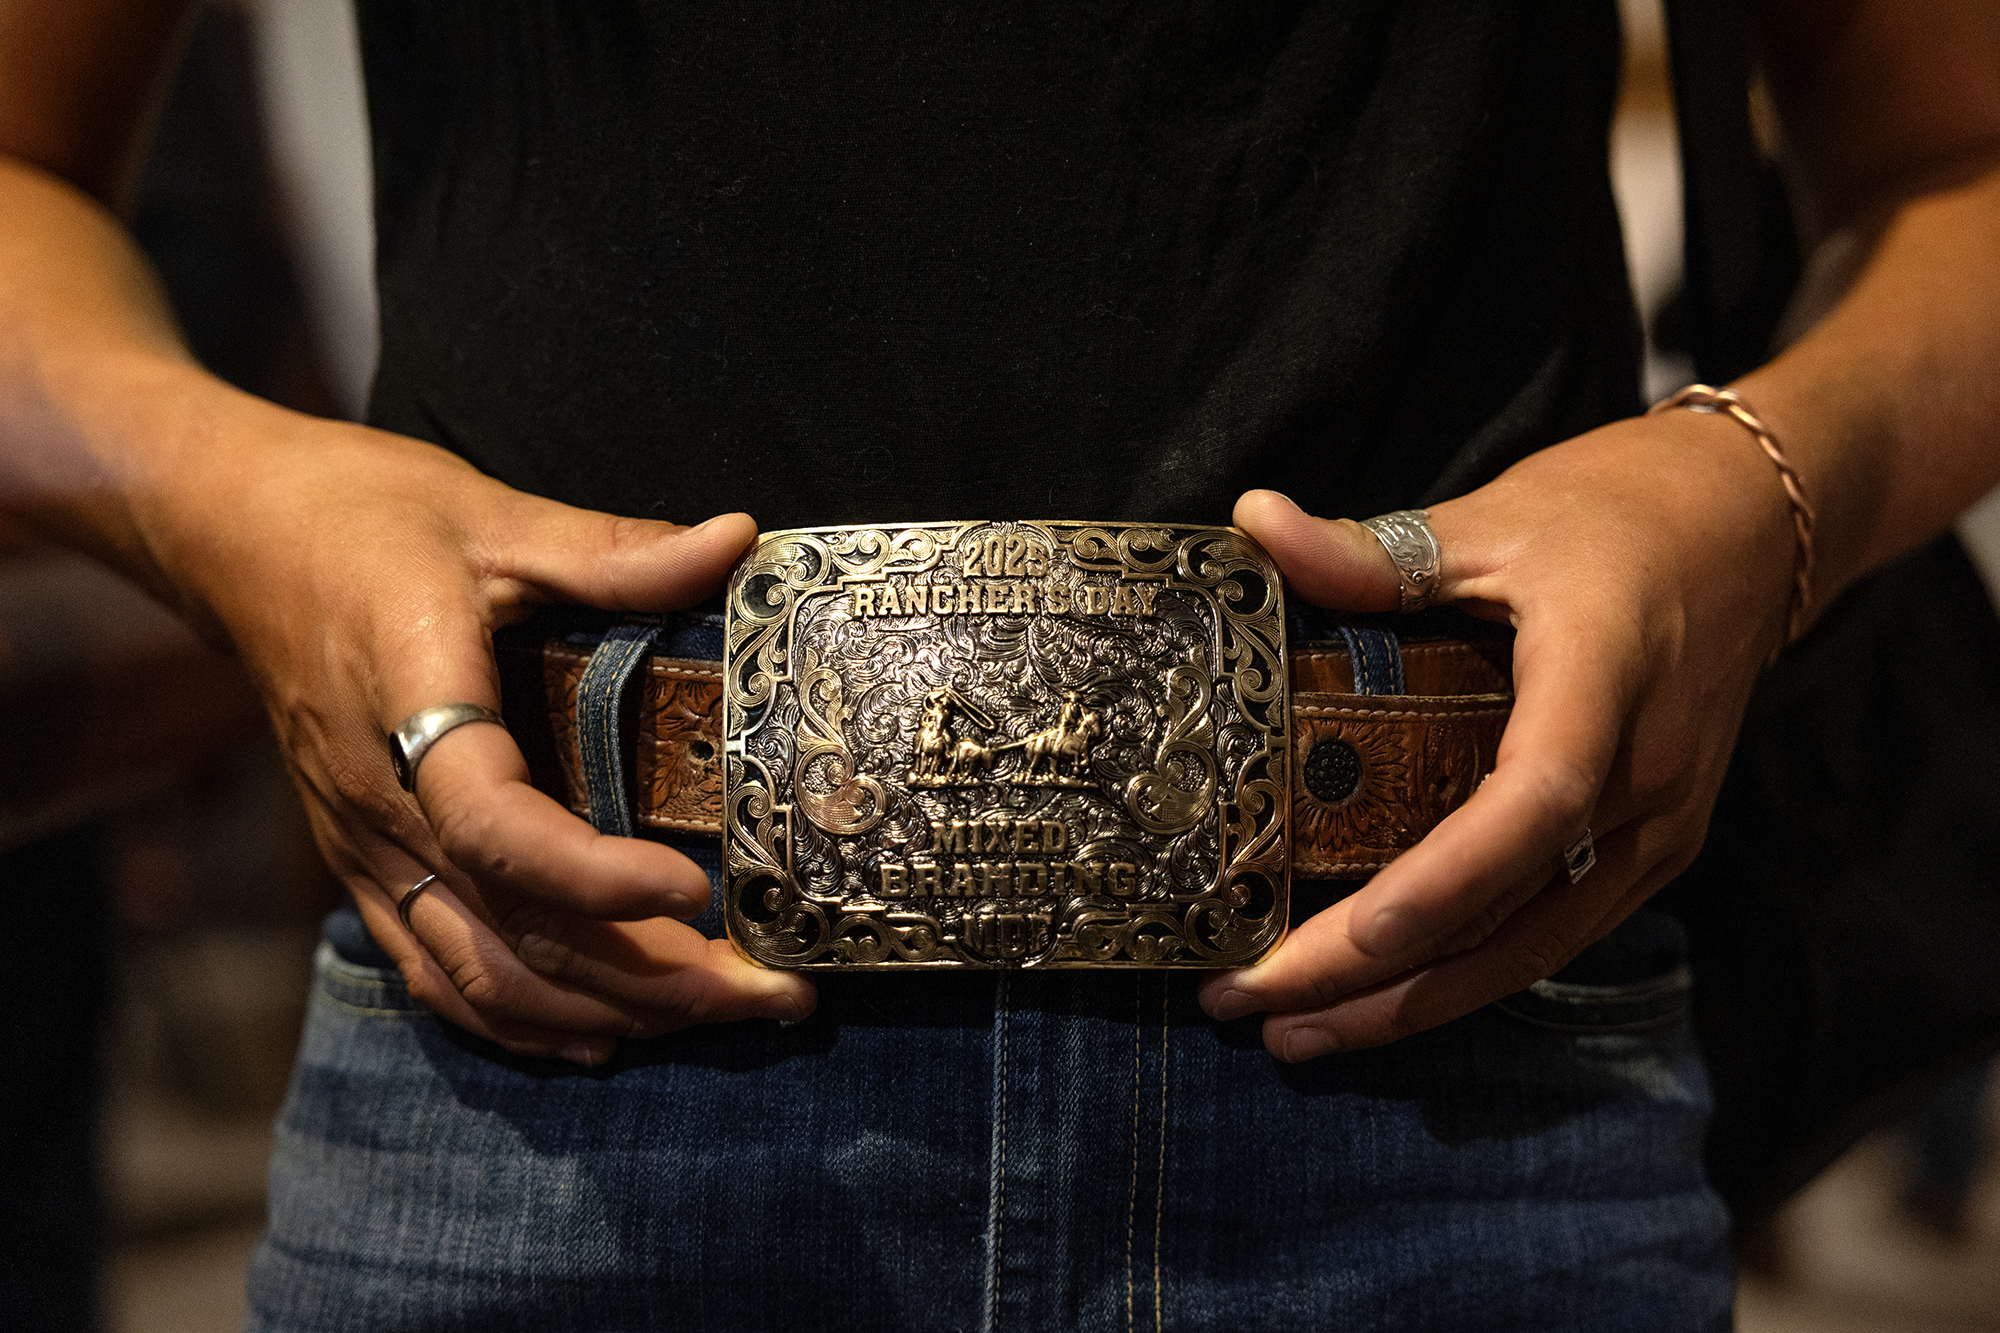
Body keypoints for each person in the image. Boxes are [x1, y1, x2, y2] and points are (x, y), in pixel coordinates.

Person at [4, 0, 2000, 1327]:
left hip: (1448, 1057)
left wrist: (1761, 490)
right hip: (559, 1051)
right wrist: (246, 508)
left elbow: (1958, 167)